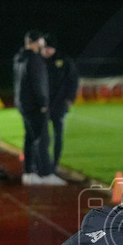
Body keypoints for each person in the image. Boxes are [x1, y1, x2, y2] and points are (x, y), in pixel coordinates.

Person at [13, 30, 65, 186]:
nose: (43, 46)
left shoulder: (19, 58)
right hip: (35, 106)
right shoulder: (35, 59)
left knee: (29, 139)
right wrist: (43, 104)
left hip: (23, 105)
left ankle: (29, 173)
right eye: (41, 42)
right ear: (35, 43)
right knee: (43, 139)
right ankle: (46, 173)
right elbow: (38, 83)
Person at [41, 35, 80, 168]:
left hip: (59, 105)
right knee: (42, 136)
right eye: (44, 47)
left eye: (48, 48)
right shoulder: (38, 61)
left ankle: (55, 163)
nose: (45, 51)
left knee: (58, 135)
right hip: (42, 105)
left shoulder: (65, 61)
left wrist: (70, 98)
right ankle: (42, 162)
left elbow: (73, 81)